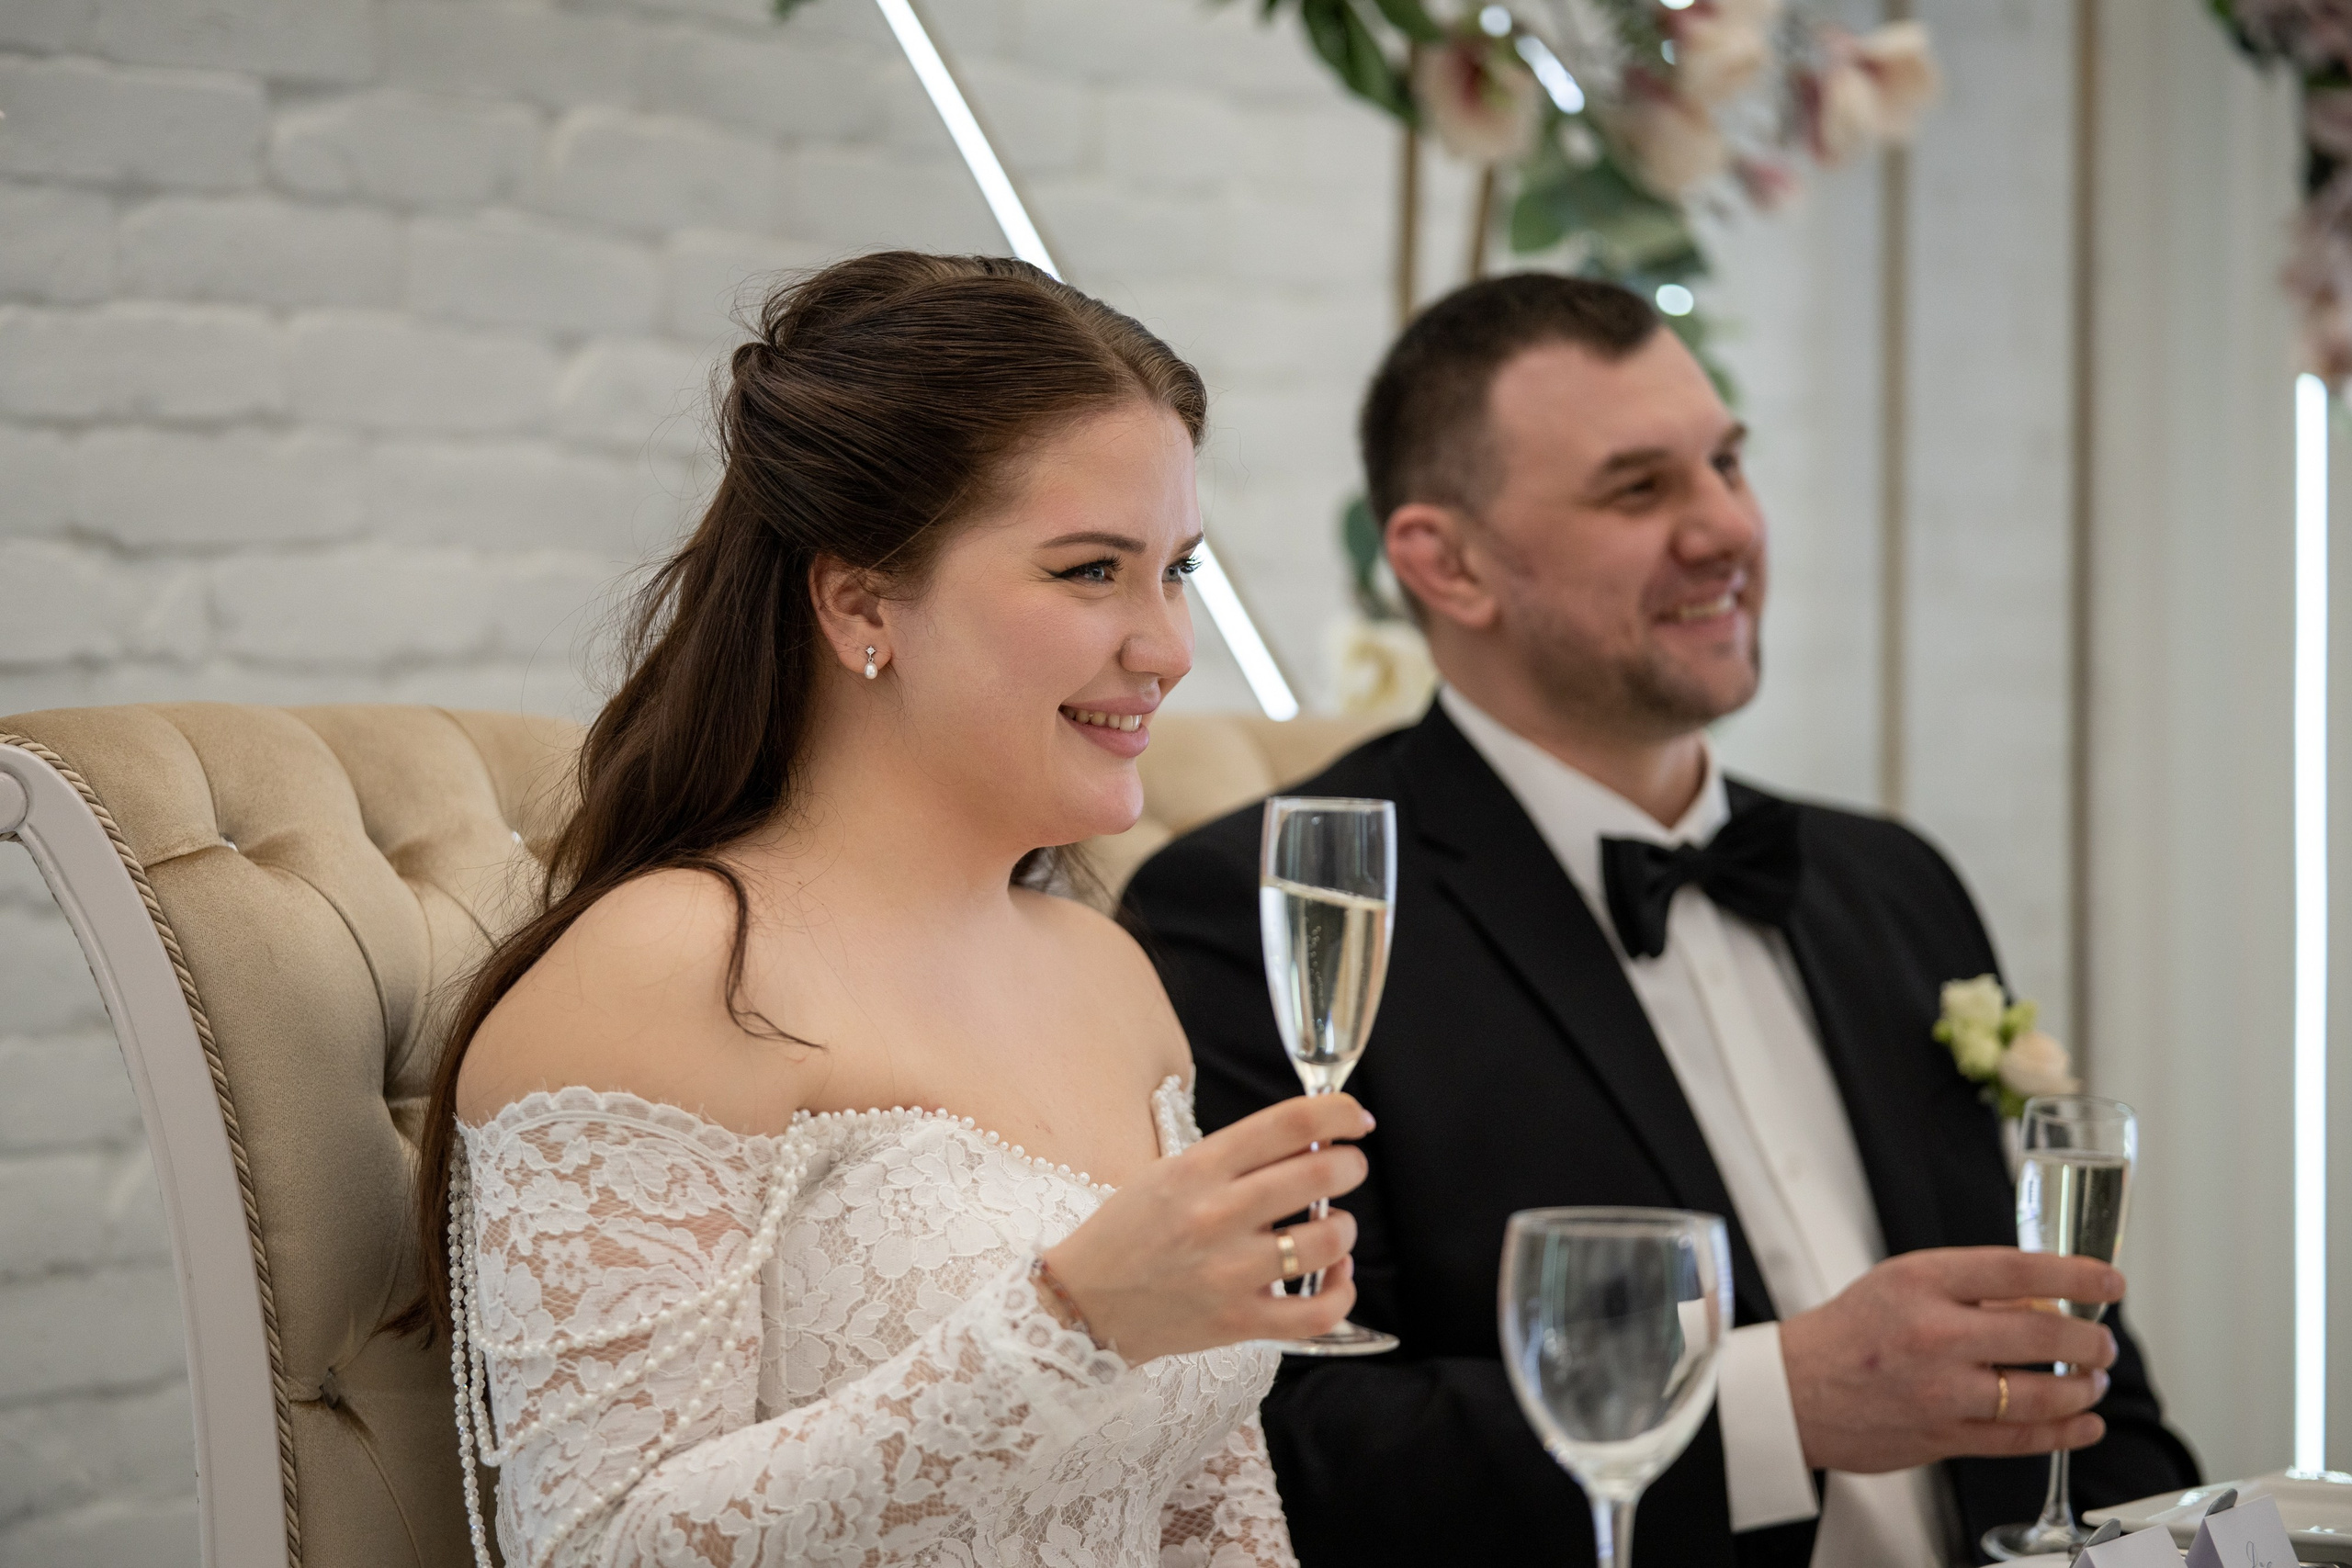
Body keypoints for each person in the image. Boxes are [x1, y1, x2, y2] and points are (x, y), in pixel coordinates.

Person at [1123, 274, 2199, 1567]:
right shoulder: (1269, 912)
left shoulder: (1896, 882)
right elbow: (1287, 1448)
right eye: (1639, 489)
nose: (1726, 528)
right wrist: (1775, 1404)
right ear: (1445, 562)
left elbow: (2091, 1392)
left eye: (1728, 464)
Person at [409, 252, 1368, 1568]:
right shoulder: (667, 973)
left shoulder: (1109, 977)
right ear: (861, 601)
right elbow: (596, 1549)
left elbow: (1209, 1509)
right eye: (1091, 571)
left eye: (1177, 572)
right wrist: (1072, 1325)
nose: (1166, 647)